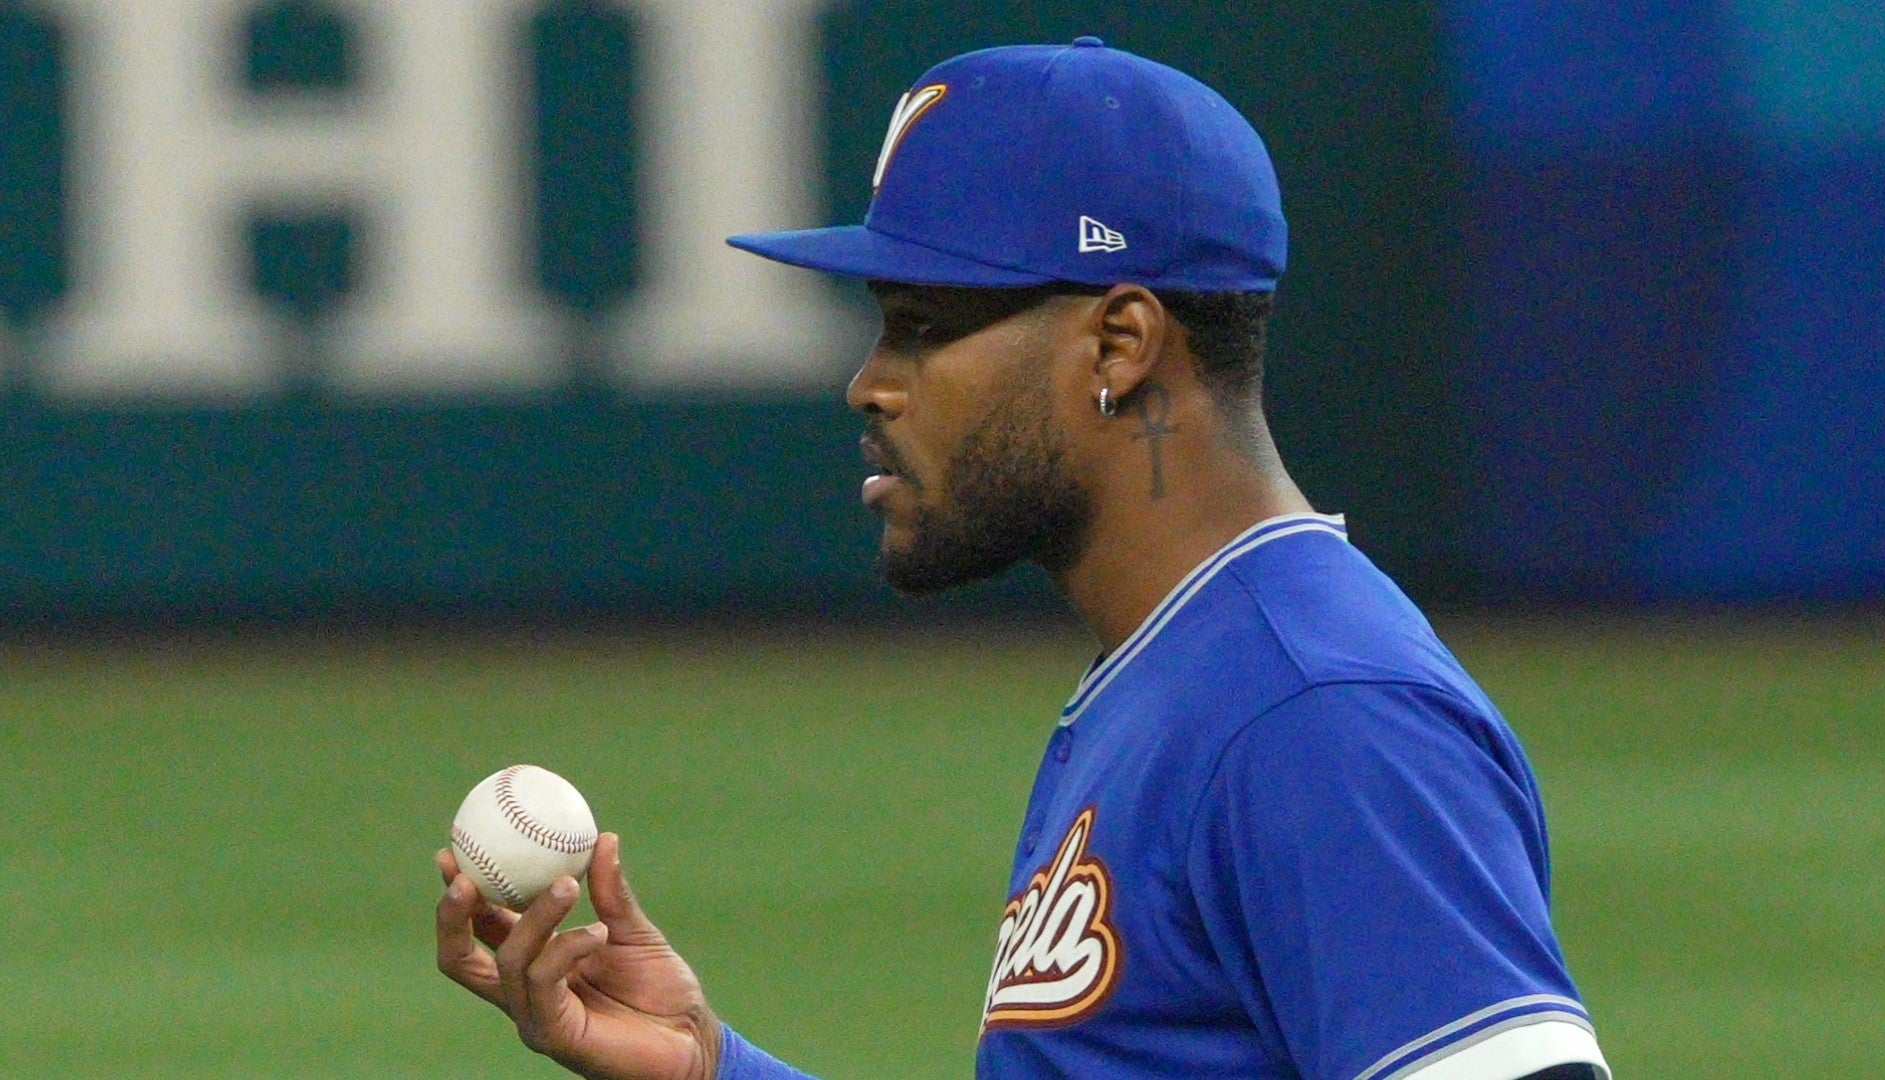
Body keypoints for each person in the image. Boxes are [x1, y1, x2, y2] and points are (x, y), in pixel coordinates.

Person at [435, 38, 1611, 1080]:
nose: (870, 380)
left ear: (1121, 340)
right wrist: (711, 1070)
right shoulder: (1179, 677)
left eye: (925, 325)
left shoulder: (1317, 715)